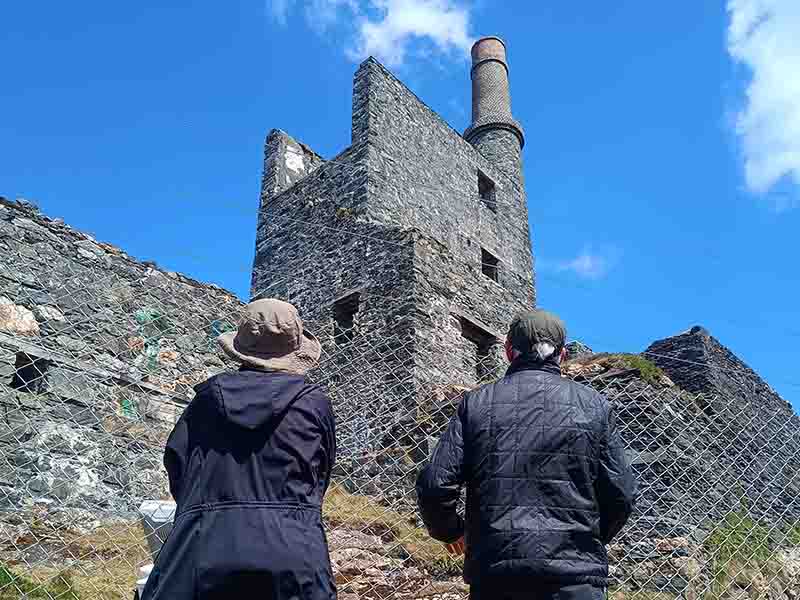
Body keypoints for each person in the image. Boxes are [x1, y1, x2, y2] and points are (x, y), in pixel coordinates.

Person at [416, 309, 637, 600]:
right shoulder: (595, 406)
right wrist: (585, 540)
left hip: (497, 575)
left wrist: (453, 532)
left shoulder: (476, 405)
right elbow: (621, 494)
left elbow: (435, 484)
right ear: (563, 354)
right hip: (575, 578)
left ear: (509, 351)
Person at [141, 299, 337, 600]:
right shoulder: (313, 404)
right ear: (295, 349)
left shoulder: (205, 401)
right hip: (293, 549)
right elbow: (320, 475)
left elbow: (177, 466)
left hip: (202, 546)